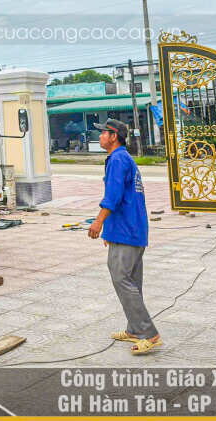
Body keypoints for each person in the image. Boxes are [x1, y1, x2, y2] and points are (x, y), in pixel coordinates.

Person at [87, 118, 162, 355]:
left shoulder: (119, 159)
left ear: (114, 136)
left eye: (103, 133)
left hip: (128, 230)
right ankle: (133, 329)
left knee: (122, 278)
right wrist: (110, 230)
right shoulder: (121, 159)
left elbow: (114, 195)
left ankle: (149, 334)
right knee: (131, 280)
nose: (99, 137)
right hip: (128, 228)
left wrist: (99, 221)